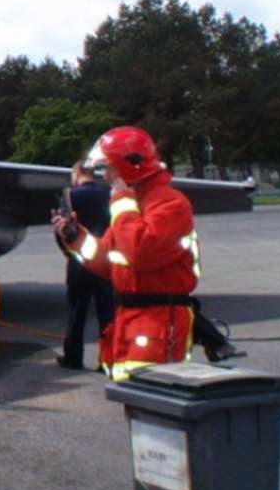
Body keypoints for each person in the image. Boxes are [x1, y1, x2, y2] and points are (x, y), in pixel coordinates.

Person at [54, 126, 215, 382]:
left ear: (130, 166)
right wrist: (76, 237)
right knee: (138, 401)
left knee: (157, 399)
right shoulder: (133, 204)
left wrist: (122, 203)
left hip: (159, 321)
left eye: (109, 168)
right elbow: (107, 259)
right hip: (132, 319)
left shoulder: (170, 204)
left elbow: (139, 252)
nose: (105, 176)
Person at [53, 163, 116, 370]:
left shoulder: (69, 196)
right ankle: (107, 360)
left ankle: (73, 357)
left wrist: (68, 253)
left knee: (77, 312)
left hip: (79, 262)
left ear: (77, 174)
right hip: (104, 259)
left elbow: (62, 231)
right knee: (107, 312)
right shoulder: (109, 193)